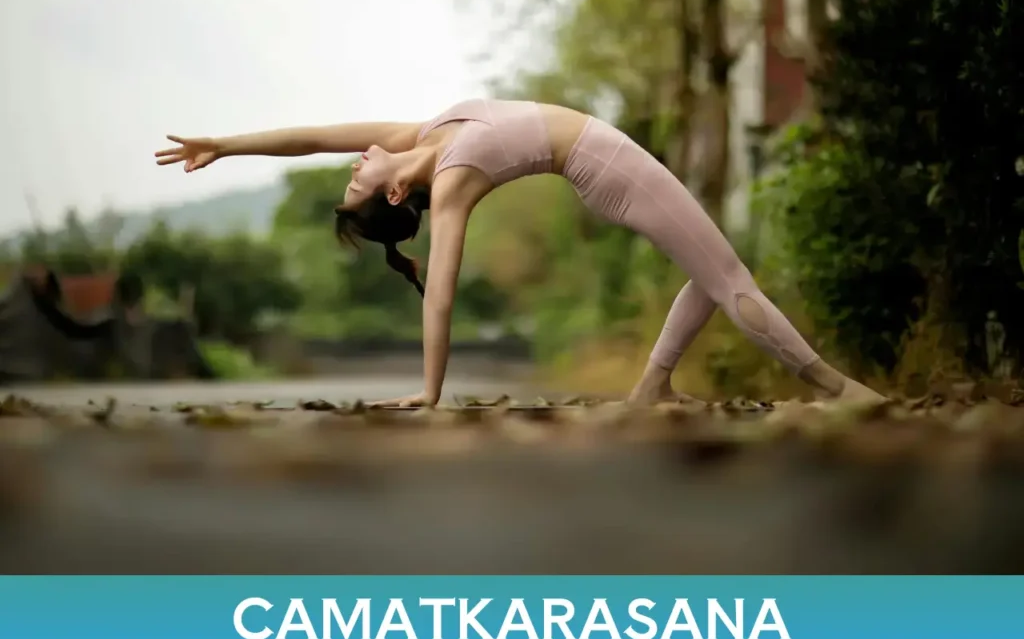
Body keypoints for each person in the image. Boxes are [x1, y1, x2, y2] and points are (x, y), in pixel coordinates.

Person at [156, 99, 886, 408]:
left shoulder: (427, 131)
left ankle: (651, 390)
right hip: (611, 172)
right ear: (388, 200)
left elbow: (315, 136)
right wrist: (432, 391)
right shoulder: (448, 183)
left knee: (709, 270)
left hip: (611, 160)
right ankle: (837, 389)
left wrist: (225, 144)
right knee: (729, 276)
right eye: (354, 186)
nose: (351, 166)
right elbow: (440, 292)